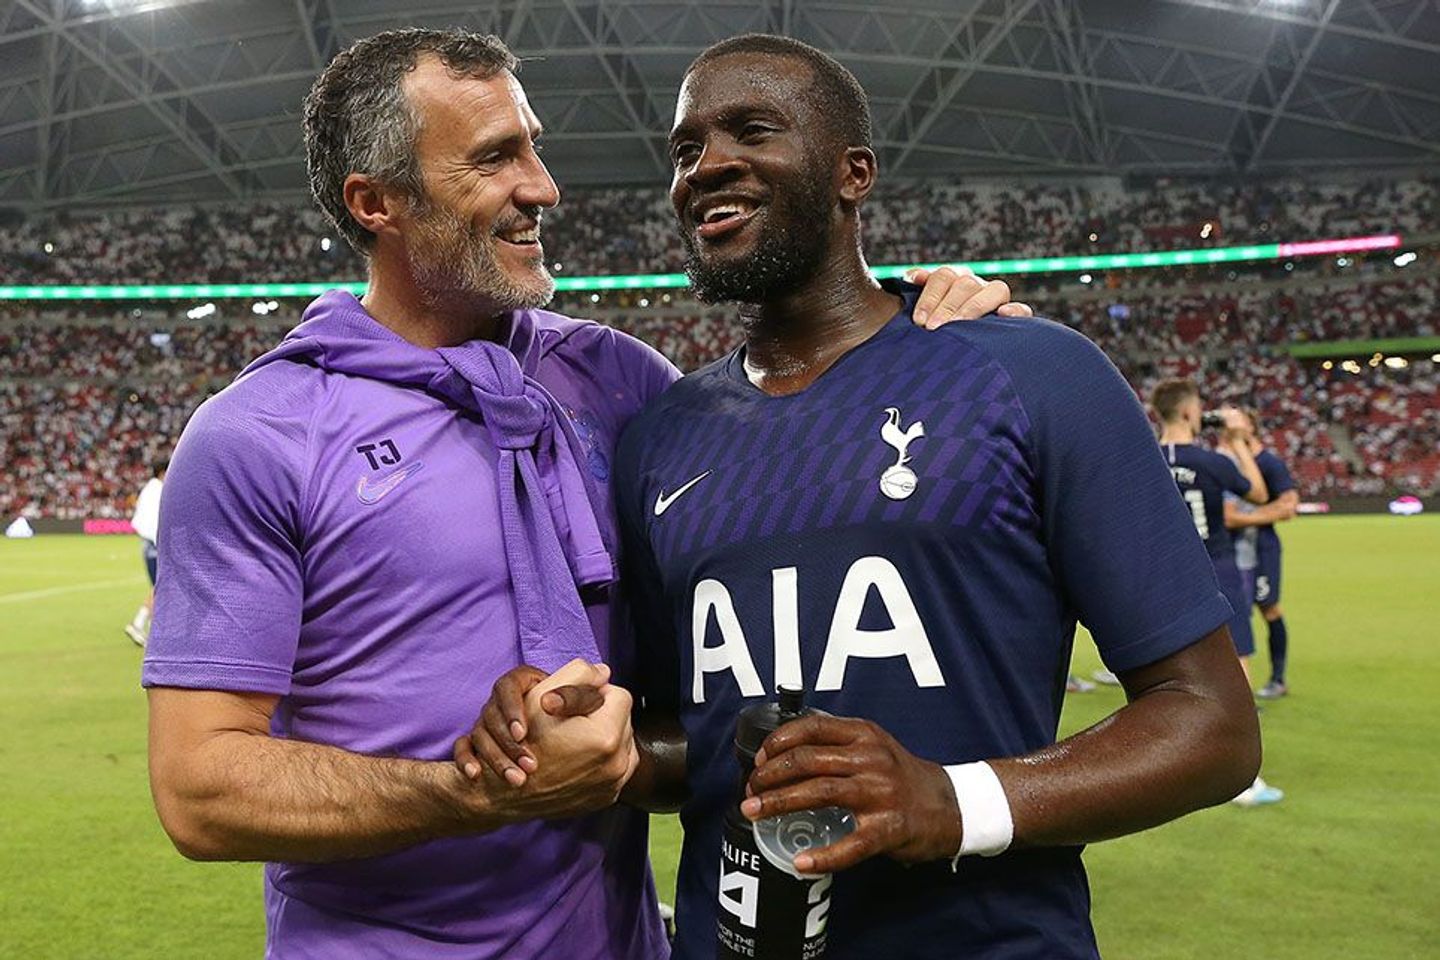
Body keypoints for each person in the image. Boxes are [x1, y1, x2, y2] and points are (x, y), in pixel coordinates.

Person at [142, 27, 1025, 959]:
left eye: (532, 145)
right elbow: (201, 789)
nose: (543, 187)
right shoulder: (261, 433)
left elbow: (778, 557)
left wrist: (926, 327)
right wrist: (471, 791)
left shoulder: (619, 382)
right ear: (377, 202)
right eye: (494, 159)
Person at [470, 34, 1262, 960]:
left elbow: (1211, 723)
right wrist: (580, 737)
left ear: (854, 174)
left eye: (752, 130)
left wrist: (949, 800)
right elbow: (691, 733)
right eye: (686, 150)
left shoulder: (1033, 376)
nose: (707, 166)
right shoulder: (661, 436)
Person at [1151, 379, 1284, 807]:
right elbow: (1259, 493)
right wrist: (1238, 440)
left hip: (1164, 571)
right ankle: (1243, 778)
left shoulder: (1143, 457)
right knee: (1237, 663)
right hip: (1216, 569)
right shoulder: (1209, 461)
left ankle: (1166, 765)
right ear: (1192, 414)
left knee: (1166, 669)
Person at [1225, 411, 1299, 698]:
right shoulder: (1224, 461)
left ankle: (1277, 678)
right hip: (1229, 550)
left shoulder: (1268, 463)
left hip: (1262, 547)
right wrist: (1266, 513)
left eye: (1237, 419)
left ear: (1252, 426)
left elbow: (1289, 506)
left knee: (1269, 608)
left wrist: (1247, 516)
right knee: (1234, 615)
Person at [125, 458, 166, 646]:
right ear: (162, 473)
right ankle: (138, 622)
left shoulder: (149, 489)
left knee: (160, 587)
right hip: (156, 544)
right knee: (161, 586)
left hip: (148, 544)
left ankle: (153, 627)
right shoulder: (158, 490)